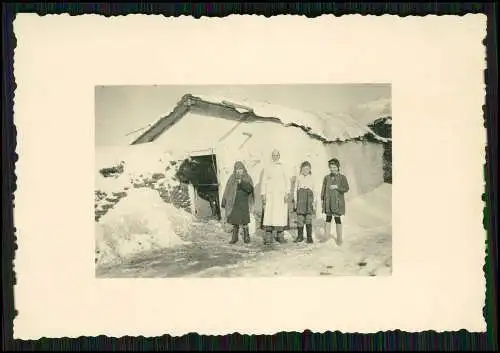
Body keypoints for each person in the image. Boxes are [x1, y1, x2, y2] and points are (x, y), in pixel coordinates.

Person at [260, 149, 290, 245]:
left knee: (280, 215)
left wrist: (287, 193)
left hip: (280, 196)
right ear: (271, 156)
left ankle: (280, 236)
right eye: (273, 155)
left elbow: (287, 181)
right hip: (270, 195)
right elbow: (263, 181)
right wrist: (263, 194)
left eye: (277, 155)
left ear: (279, 156)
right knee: (269, 215)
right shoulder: (267, 167)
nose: (275, 157)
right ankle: (268, 236)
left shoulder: (283, 167)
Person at [221, 161, 255, 244]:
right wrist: (224, 200)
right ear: (235, 170)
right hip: (234, 203)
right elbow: (227, 189)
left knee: (244, 221)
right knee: (235, 221)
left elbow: (250, 189)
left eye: (240, 169)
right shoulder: (232, 178)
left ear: (243, 169)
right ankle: (234, 237)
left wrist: (242, 183)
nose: (239, 171)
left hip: (243, 202)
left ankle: (246, 237)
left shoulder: (247, 177)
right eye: (237, 169)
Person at [321, 158, 350, 246]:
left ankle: (339, 239)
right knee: (328, 218)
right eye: (331, 167)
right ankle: (326, 236)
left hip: (337, 202)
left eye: (334, 167)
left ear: (338, 167)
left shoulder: (342, 177)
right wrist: (322, 199)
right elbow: (323, 189)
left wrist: (337, 187)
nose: (332, 169)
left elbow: (346, 188)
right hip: (328, 201)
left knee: (337, 218)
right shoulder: (326, 177)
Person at [293, 161, 316, 243]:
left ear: (310, 169)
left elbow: (314, 191)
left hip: (309, 200)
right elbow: (295, 190)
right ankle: (300, 236)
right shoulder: (299, 178)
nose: (305, 170)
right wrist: (295, 201)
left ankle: (309, 237)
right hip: (300, 201)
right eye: (304, 169)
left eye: (307, 169)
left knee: (308, 219)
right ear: (301, 169)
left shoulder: (312, 178)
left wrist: (314, 202)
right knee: (300, 218)